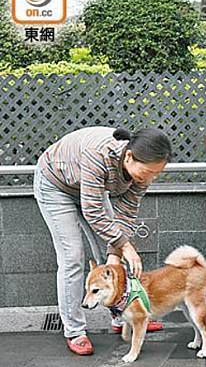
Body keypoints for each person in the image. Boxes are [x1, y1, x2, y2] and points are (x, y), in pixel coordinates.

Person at [34, 126, 172, 355]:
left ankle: (122, 315)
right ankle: (74, 330)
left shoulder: (142, 172)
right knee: (73, 257)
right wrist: (124, 246)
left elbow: (127, 214)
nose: (151, 178)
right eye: (149, 172)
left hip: (91, 191)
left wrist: (115, 253)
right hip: (55, 186)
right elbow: (93, 212)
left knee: (109, 260)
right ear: (129, 156)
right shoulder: (98, 154)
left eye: (157, 174)